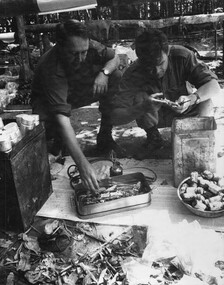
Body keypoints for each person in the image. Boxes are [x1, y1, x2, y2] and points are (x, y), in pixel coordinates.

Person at [31, 19, 122, 192]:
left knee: (115, 76)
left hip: (76, 90)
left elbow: (114, 58)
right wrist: (83, 165)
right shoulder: (50, 67)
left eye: (84, 52)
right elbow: (62, 118)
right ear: (60, 47)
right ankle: (57, 143)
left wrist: (105, 73)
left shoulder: (89, 44)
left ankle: (105, 136)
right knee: (52, 150)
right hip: (47, 102)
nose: (81, 58)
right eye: (74, 54)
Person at [110, 28, 222, 150]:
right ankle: (154, 138)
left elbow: (214, 86)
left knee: (205, 100)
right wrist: (141, 108)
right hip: (155, 118)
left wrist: (192, 98)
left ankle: (197, 135)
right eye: (149, 67)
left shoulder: (182, 56)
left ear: (167, 51)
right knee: (140, 98)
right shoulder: (133, 72)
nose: (157, 71)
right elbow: (115, 116)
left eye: (160, 63)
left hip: (186, 113)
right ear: (140, 59)